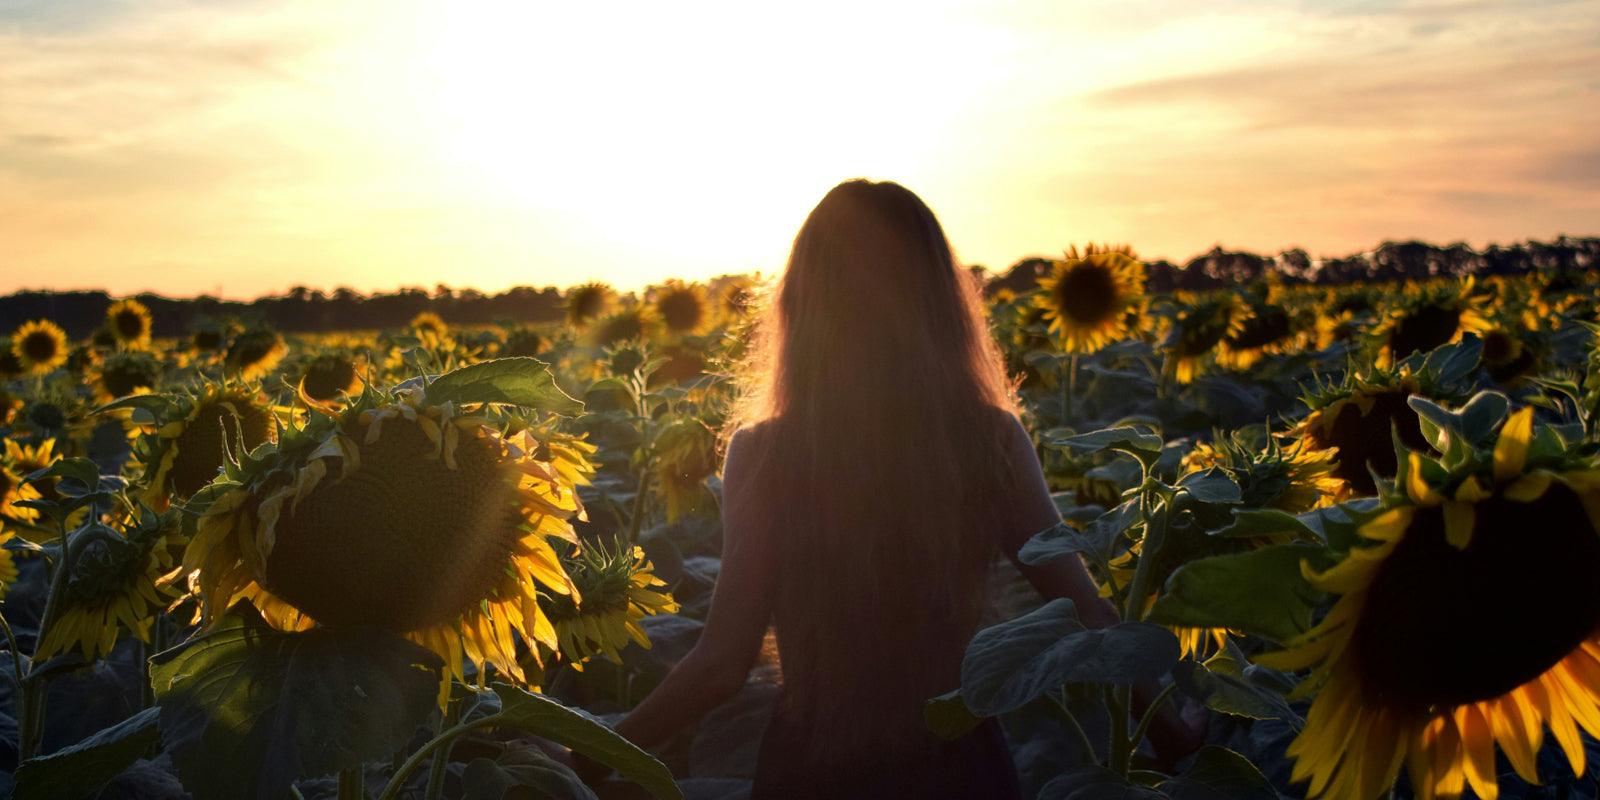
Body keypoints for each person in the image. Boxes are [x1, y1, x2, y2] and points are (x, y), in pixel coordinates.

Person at [595, 179, 1191, 798]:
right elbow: (1088, 614)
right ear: (941, 302)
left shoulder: (768, 453)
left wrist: (594, 754)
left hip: (815, 770)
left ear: (803, 304)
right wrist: (1173, 730)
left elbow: (721, 664)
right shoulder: (988, 440)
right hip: (960, 770)